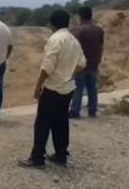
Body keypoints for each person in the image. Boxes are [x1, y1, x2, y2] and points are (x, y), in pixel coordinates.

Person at [19, 10, 85, 168]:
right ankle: (61, 155)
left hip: (53, 88)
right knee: (61, 122)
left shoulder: (55, 39)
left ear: (51, 23)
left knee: (42, 123)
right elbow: (82, 63)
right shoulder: (73, 40)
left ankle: (37, 158)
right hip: (68, 88)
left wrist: (38, 86)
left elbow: (47, 67)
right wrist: (69, 74)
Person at [69, 6, 104, 119]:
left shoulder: (78, 31)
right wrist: (98, 59)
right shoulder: (99, 30)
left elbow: (73, 48)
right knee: (92, 89)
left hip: (80, 65)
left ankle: (75, 110)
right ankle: (92, 110)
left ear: (80, 17)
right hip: (93, 64)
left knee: (78, 88)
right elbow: (101, 47)